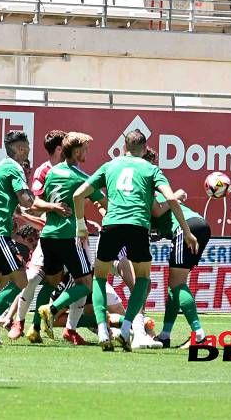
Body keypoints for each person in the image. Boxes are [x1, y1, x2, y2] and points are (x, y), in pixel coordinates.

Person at [73, 129, 198, 352]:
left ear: (124, 146)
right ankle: (126, 328)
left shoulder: (109, 166)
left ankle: (103, 330)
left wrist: (81, 225)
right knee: (143, 280)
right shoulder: (150, 168)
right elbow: (170, 198)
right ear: (145, 148)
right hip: (138, 227)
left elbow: (78, 194)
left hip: (111, 225)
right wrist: (187, 231)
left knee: (100, 278)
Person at [0, 131, 70, 345]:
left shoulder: (0, 166)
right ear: (20, 148)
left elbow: (18, 206)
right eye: (26, 146)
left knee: (0, 281)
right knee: (21, 281)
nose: (28, 150)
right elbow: (27, 200)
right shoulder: (14, 167)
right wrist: (52, 206)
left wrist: (28, 211)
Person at [33, 133, 106, 344]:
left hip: (48, 236)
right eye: (85, 149)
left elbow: (38, 202)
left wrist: (53, 207)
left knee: (50, 282)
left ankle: (35, 328)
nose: (87, 152)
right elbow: (103, 202)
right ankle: (52, 309)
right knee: (86, 284)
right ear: (76, 152)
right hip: (69, 237)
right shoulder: (81, 178)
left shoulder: (52, 173)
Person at [8, 130, 65, 340]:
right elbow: (35, 202)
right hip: (48, 234)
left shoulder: (74, 169)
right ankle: (18, 322)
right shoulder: (44, 171)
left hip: (69, 237)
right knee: (31, 279)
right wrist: (53, 208)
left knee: (60, 283)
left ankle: (51, 328)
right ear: (59, 148)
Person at [150, 185, 212, 349]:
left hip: (186, 228)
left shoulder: (147, 196)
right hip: (200, 224)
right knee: (175, 287)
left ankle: (199, 336)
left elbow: (157, 211)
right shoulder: (159, 194)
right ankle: (165, 335)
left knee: (177, 284)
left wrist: (176, 195)